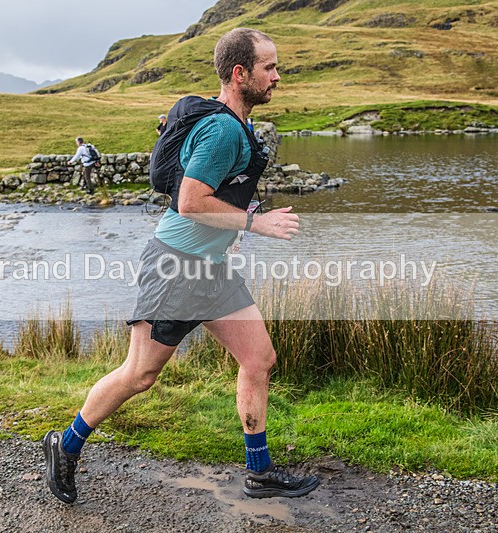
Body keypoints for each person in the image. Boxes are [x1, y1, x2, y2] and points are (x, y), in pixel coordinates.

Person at [42, 27, 318, 504]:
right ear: (240, 73)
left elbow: (209, 197)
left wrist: (228, 237)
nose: (277, 76)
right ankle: (64, 445)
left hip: (209, 267)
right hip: (175, 267)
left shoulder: (236, 122)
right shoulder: (222, 129)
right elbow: (190, 202)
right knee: (140, 375)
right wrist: (255, 224)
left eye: (276, 67)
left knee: (259, 359)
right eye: (269, 67)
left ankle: (259, 471)